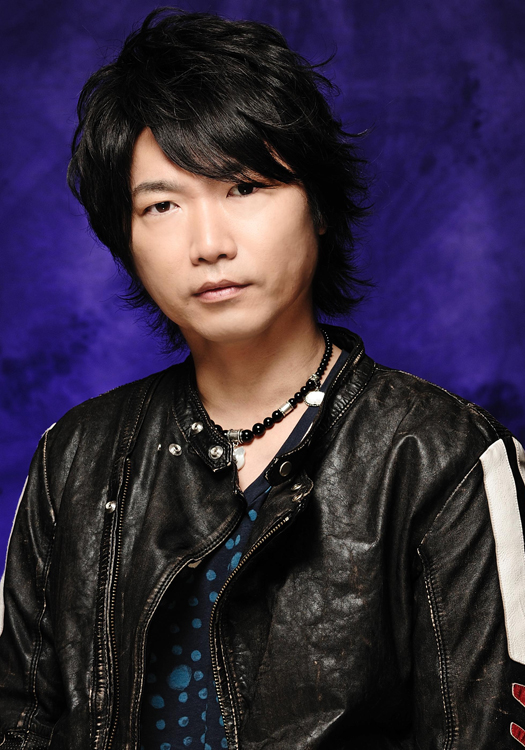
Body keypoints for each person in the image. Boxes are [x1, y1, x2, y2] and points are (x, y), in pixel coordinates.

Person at [1, 7, 525, 749]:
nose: (208, 243)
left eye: (243, 188)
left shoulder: (444, 457)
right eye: (162, 205)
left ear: (318, 206)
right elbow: (18, 719)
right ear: (127, 238)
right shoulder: (74, 457)